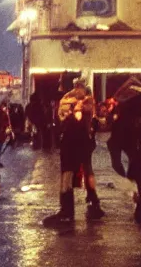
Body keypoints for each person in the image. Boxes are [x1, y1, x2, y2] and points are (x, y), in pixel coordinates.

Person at [43, 78, 105, 227]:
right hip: (83, 142)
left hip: (71, 142)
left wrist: (70, 115)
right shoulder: (88, 101)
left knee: (67, 175)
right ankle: (92, 202)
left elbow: (63, 119)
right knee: (86, 170)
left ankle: (67, 211)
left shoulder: (71, 100)